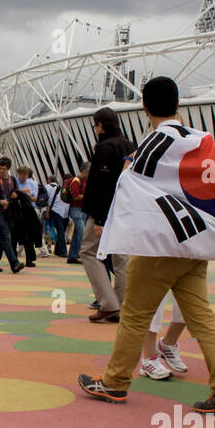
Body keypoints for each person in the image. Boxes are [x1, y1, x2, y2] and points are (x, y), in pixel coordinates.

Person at [77, 77, 215, 413]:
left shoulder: (156, 141)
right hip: (196, 243)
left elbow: (131, 183)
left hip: (163, 244)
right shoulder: (201, 141)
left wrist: (110, 227)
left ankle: (114, 382)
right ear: (179, 103)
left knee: (135, 314)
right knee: (202, 316)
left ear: (144, 106)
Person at [80, 108, 134, 323]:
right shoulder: (129, 146)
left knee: (88, 251)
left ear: (101, 125)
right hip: (125, 209)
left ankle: (108, 303)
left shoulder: (105, 147)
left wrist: (100, 218)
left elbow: (103, 185)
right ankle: (121, 306)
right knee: (121, 260)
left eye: (96, 125)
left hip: (105, 211)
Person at [66, 162, 89, 263]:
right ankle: (81, 253)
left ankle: (72, 256)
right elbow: (75, 196)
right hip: (76, 208)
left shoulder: (84, 180)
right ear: (84, 171)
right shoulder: (76, 181)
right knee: (81, 231)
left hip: (82, 209)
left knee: (77, 233)